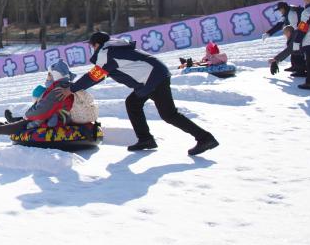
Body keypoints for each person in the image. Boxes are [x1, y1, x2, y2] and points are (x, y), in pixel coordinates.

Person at [57, 31, 218, 156]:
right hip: (151, 78)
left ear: (97, 44)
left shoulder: (106, 52)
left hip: (153, 78)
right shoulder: (114, 48)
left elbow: (94, 75)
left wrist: (72, 88)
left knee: (169, 114)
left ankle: (205, 138)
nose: (92, 49)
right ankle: (145, 139)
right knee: (133, 103)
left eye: (92, 46)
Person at [0, 61, 96, 137]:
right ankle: (0, 126)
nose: (48, 77)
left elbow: (42, 110)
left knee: (25, 123)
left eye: (49, 74)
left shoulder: (58, 90)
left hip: (63, 120)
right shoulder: (65, 86)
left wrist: (27, 116)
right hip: (67, 116)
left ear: (55, 75)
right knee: (30, 120)